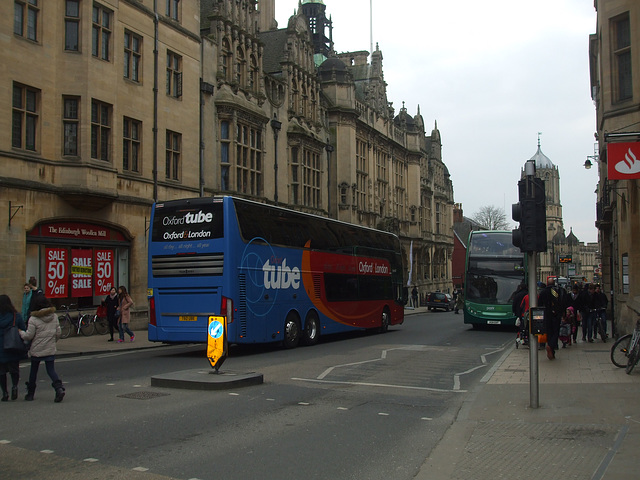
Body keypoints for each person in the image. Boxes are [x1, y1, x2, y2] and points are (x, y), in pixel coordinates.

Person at [19, 294, 65, 402]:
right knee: (51, 370)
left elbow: (29, 335)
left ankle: (30, 394)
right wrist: (53, 341)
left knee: (33, 371)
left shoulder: (33, 319)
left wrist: (21, 333)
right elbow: (58, 332)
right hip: (49, 347)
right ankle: (59, 389)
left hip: (37, 348)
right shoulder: (53, 316)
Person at [0, 295, 27, 401]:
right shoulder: (16, 316)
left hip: (1, 347)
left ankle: (4, 393)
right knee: (14, 369)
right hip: (13, 346)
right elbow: (23, 330)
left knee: (1, 371)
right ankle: (14, 386)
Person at [538, 278, 565, 360]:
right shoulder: (557, 291)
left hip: (546, 314)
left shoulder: (543, 292)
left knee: (549, 332)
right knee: (556, 332)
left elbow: (539, 304)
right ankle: (551, 347)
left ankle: (551, 351)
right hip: (556, 314)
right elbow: (561, 302)